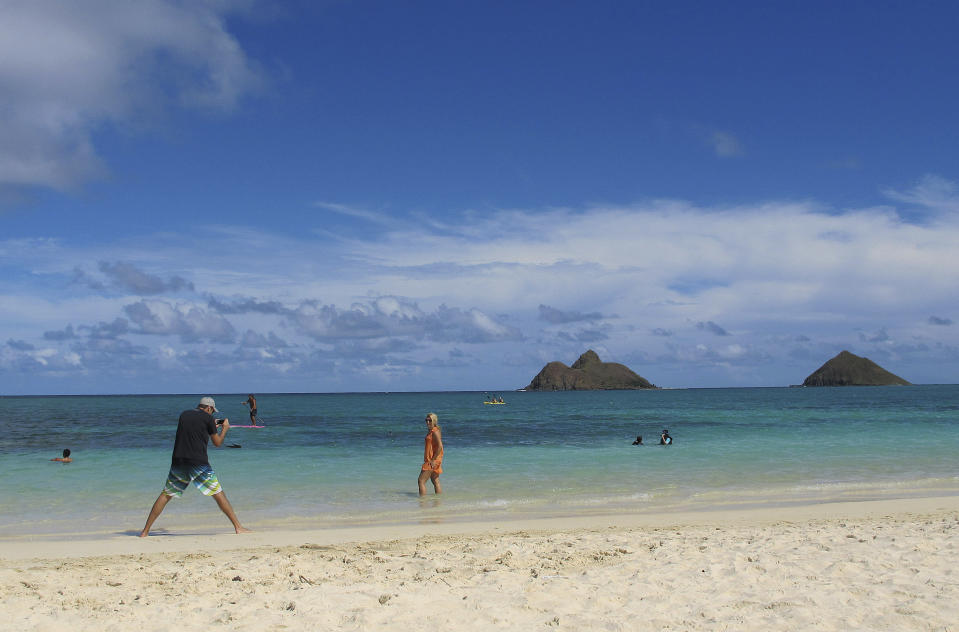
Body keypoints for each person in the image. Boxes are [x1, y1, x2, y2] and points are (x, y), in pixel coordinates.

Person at [139, 397, 250, 537]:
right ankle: (238, 527)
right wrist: (224, 429)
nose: (212, 415)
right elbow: (217, 443)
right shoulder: (208, 419)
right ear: (209, 408)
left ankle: (145, 531)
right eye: (212, 412)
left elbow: (194, 429)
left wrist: (210, 425)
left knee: (166, 494)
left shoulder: (184, 415)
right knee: (218, 493)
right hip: (198, 462)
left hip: (178, 460)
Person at [418, 412, 444, 496]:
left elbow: (440, 446)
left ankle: (422, 503)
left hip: (432, 460)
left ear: (434, 421)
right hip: (435, 459)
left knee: (421, 481)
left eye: (430, 420)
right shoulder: (432, 431)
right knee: (435, 480)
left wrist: (433, 460)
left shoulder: (435, 431)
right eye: (426, 420)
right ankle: (438, 502)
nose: (427, 422)